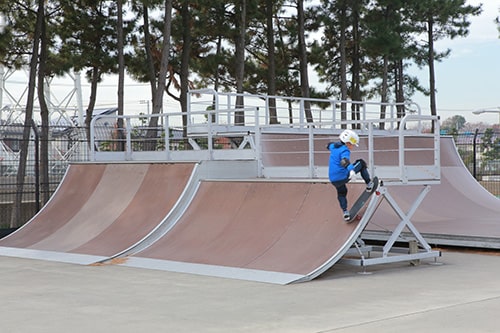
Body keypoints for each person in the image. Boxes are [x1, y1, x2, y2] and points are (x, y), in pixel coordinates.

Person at [327, 129, 374, 221]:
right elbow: (344, 161)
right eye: (352, 145)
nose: (352, 147)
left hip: (333, 179)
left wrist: (333, 144)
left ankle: (345, 212)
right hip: (344, 175)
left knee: (342, 192)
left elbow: (328, 145)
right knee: (361, 163)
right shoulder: (345, 150)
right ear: (348, 142)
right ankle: (369, 184)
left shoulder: (333, 147)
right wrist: (351, 171)